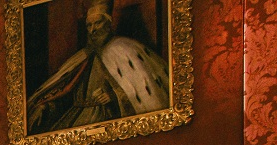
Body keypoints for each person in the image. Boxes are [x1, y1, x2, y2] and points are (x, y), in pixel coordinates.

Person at [26, 0, 170, 135]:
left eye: (97, 23)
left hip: (107, 117)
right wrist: (46, 106)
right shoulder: (83, 56)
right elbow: (66, 92)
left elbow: (141, 90)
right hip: (77, 119)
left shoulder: (123, 49)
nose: (93, 30)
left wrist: (114, 95)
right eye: (89, 25)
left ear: (108, 24)